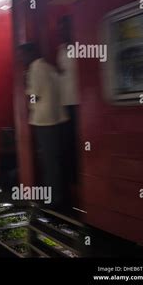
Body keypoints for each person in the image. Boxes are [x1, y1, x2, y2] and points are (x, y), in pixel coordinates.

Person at [19, 42, 68, 208]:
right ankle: (59, 195)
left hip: (43, 120)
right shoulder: (49, 67)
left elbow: (35, 96)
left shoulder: (35, 68)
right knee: (55, 159)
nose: (21, 58)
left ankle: (52, 199)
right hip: (57, 118)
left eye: (22, 54)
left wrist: (27, 93)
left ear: (30, 53)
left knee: (48, 162)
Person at [57, 16, 79, 197]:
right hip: (66, 103)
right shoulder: (61, 49)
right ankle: (72, 180)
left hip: (80, 102)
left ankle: (78, 179)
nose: (62, 32)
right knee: (68, 143)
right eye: (60, 29)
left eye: (65, 27)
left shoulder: (81, 45)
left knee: (78, 142)